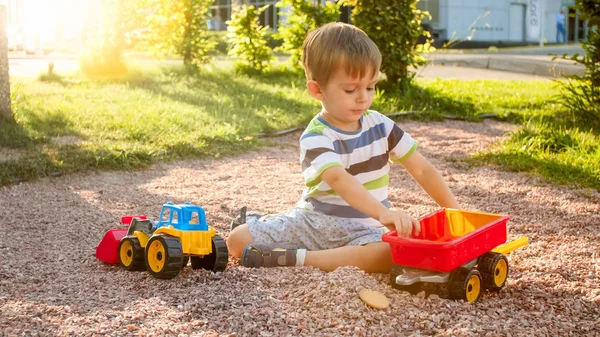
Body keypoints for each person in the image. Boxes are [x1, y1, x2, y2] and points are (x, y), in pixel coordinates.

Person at [226, 22, 459, 273]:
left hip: (364, 230)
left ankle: (295, 258)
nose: (363, 98)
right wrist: (384, 214)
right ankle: (271, 229)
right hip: (314, 223)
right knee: (237, 240)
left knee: (392, 253)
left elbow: (422, 170)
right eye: (350, 89)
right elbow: (339, 179)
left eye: (370, 87)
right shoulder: (316, 136)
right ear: (318, 90)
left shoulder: (382, 126)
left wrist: (458, 214)